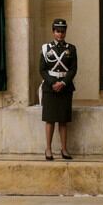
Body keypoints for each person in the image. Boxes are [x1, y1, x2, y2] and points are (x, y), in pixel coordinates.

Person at [40, 19, 77, 160]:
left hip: (65, 87)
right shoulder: (46, 48)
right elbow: (42, 70)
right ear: (53, 32)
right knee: (50, 119)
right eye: (57, 31)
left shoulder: (71, 48)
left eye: (62, 31)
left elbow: (73, 69)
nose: (60, 34)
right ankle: (48, 149)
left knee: (63, 120)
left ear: (65, 32)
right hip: (50, 88)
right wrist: (53, 83)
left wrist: (63, 82)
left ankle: (64, 149)